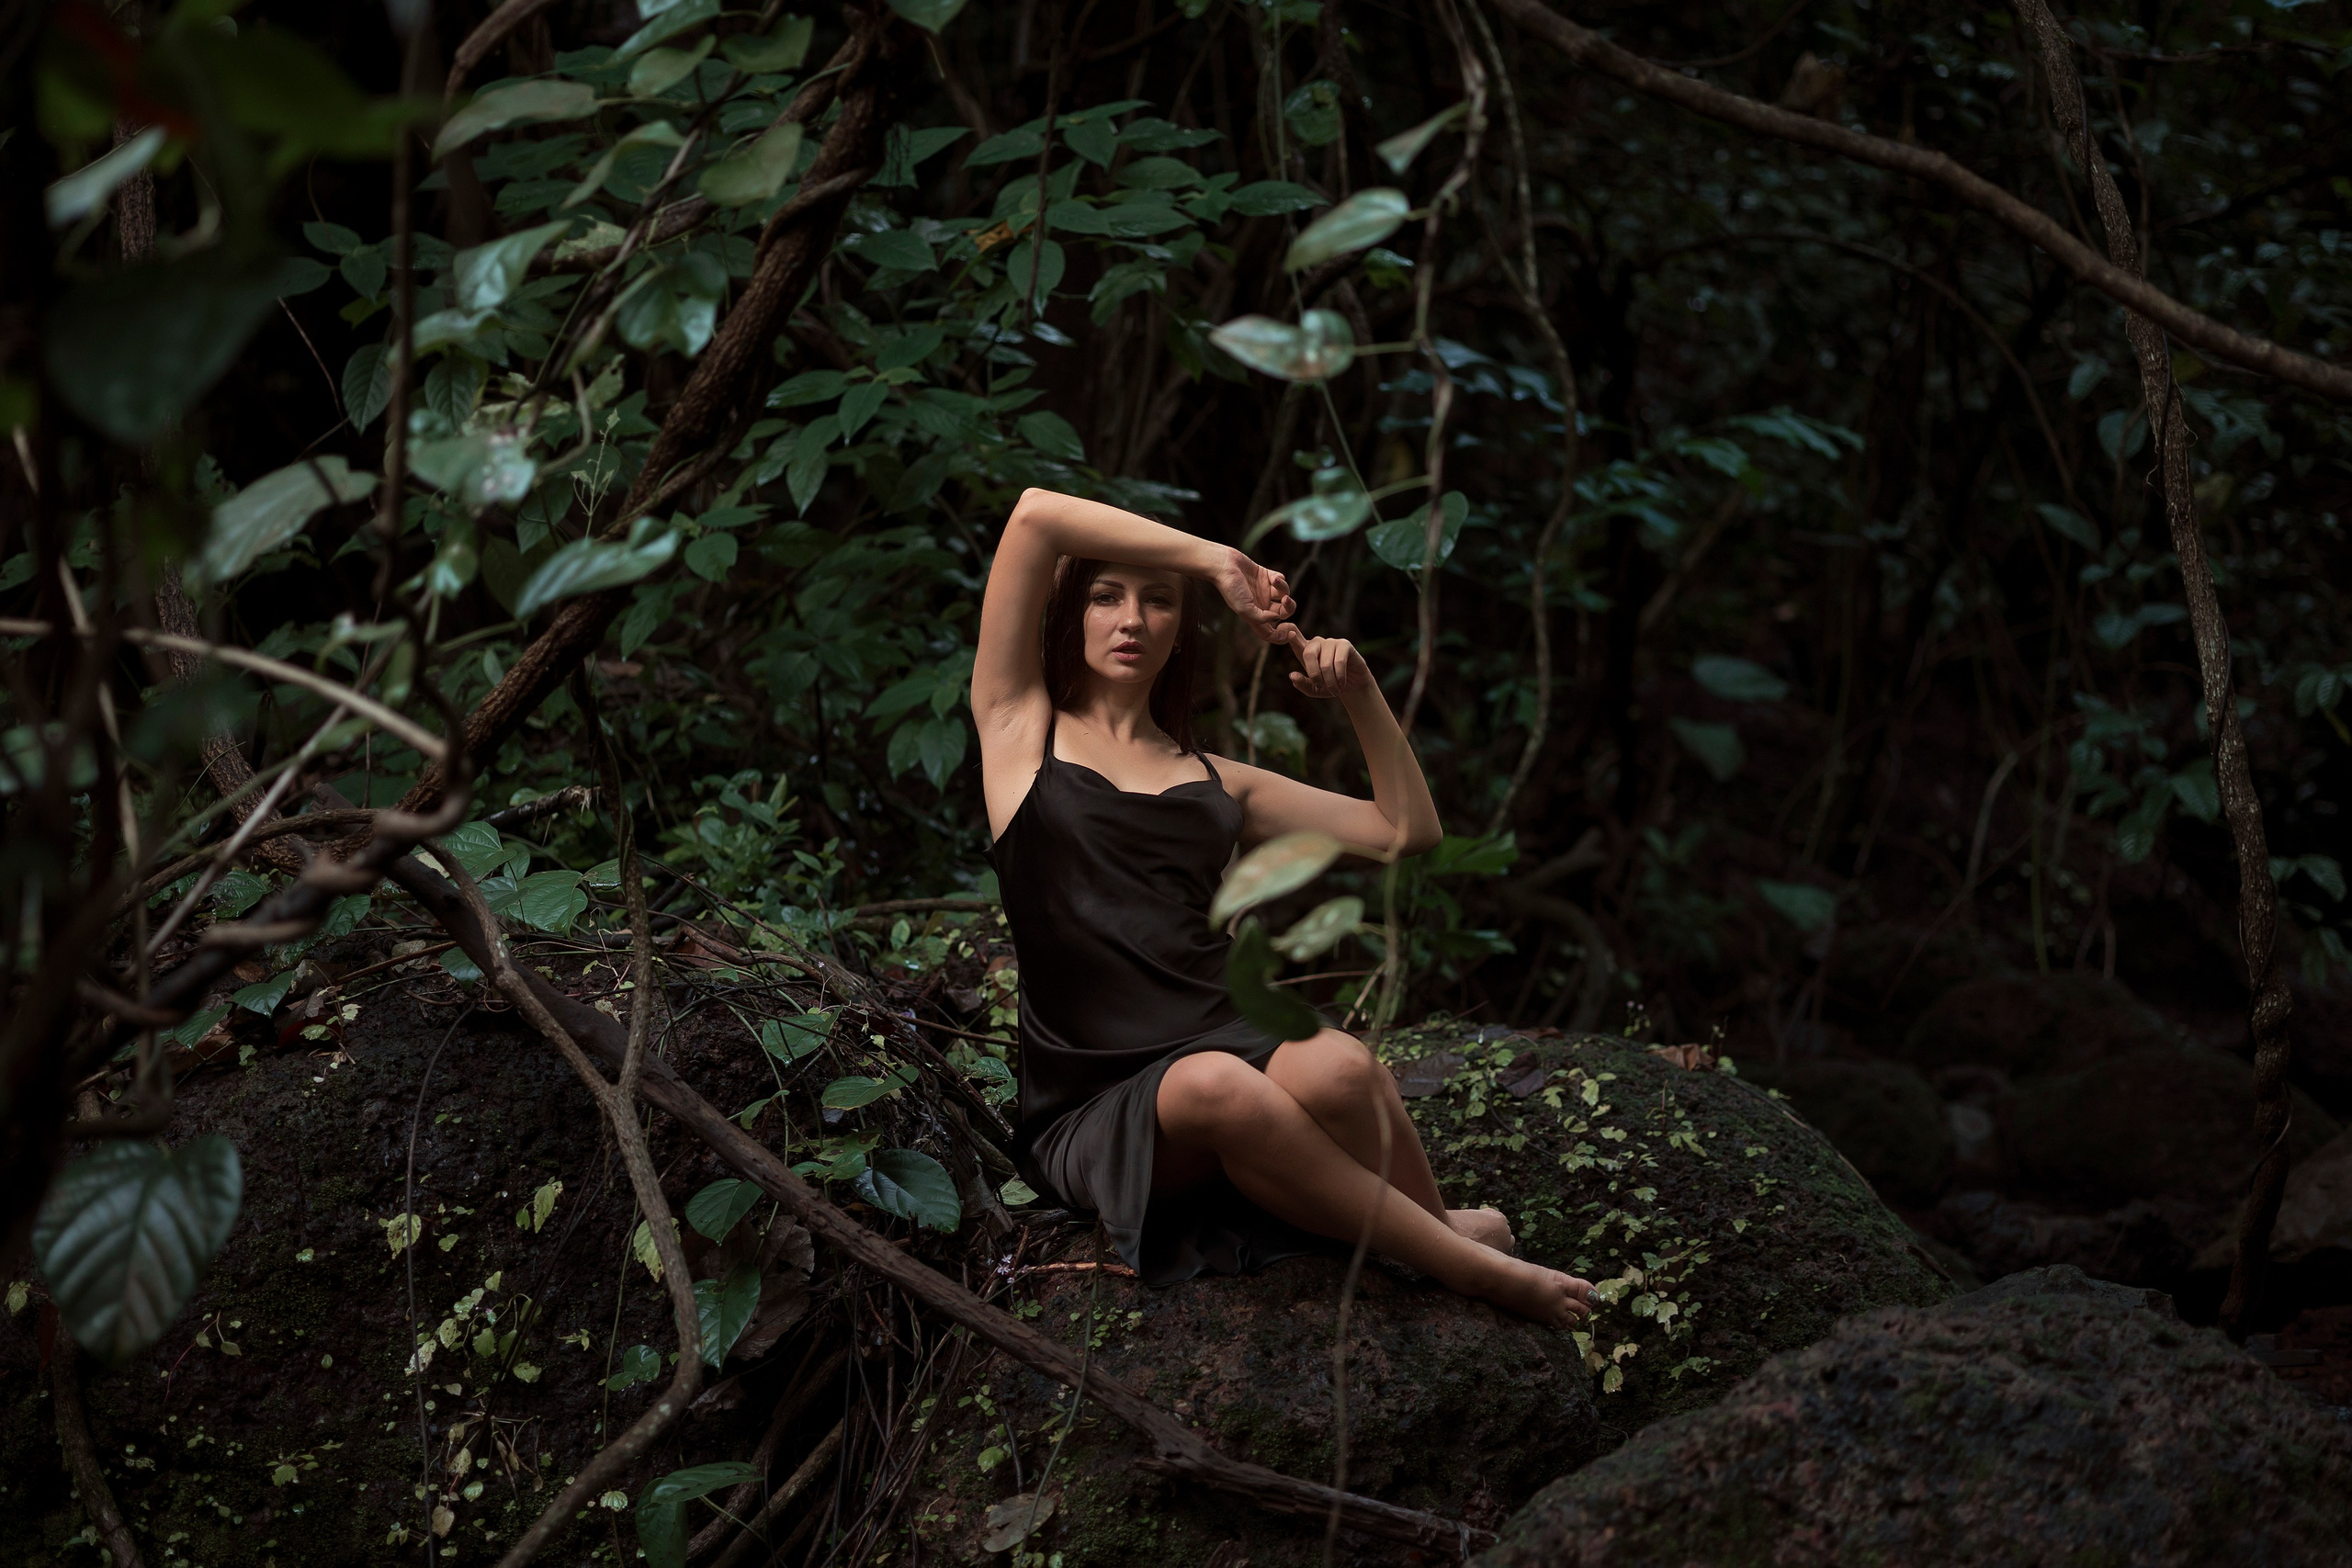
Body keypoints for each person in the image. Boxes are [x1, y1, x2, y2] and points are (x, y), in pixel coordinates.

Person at [971, 487, 1592, 1329]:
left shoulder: (1221, 781)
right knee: (1222, 1086)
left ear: (1180, 631)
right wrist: (1209, 558)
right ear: (1071, 614)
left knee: (1338, 1063)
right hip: (1095, 1094)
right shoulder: (1019, 732)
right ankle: (1467, 1260)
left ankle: (1431, 1227)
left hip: (1219, 1024)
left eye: (1158, 601)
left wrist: (1362, 693)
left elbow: (1407, 829)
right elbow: (1035, 516)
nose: (1132, 618)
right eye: (1105, 595)